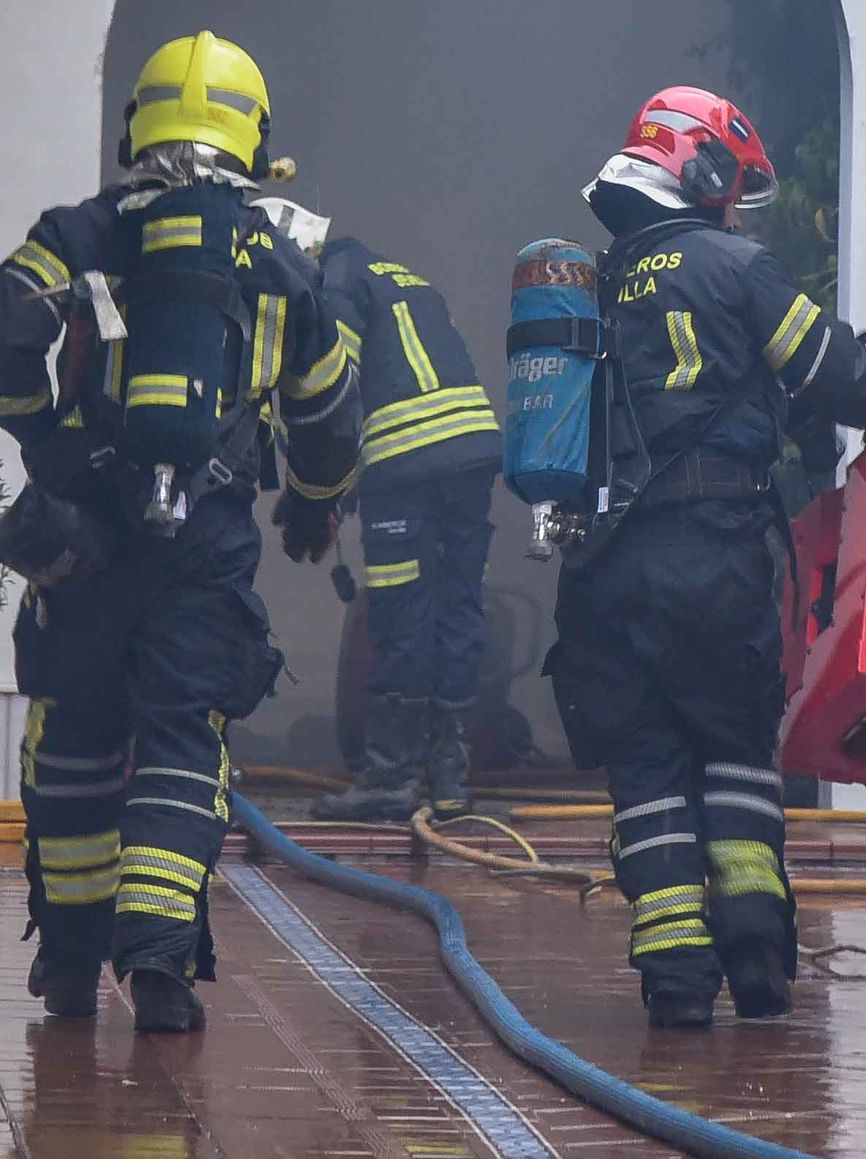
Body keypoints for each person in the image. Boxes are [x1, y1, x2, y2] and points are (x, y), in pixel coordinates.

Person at [0, 32, 360, 1031]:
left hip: (87, 529)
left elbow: (6, 337)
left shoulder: (79, 230)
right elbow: (327, 414)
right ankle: (158, 961)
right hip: (204, 538)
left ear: (139, 124)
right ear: (253, 136)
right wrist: (312, 501)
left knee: (71, 735)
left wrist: (56, 443)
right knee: (179, 738)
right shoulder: (281, 254)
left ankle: (68, 965)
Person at [550, 85, 866, 1029]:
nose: (737, 206)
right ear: (700, 172)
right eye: (732, 185)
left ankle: (673, 979)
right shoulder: (735, 266)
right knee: (736, 751)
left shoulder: (592, 279)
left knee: (650, 774)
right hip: (714, 552)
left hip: (606, 568)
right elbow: (844, 380)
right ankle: (754, 951)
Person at [255, 200, 502, 824]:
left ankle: (392, 779)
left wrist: (323, 496)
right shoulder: (397, 274)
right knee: (457, 603)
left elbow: (337, 393)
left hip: (407, 462)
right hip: (472, 450)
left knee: (401, 613)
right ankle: (449, 780)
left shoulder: (333, 283)